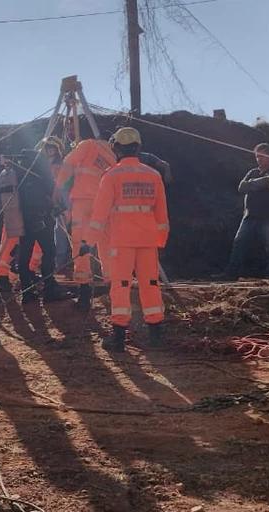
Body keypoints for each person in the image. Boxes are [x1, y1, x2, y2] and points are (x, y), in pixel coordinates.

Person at [88, 127, 169, 352]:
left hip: (122, 241)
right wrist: (160, 239)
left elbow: (99, 214)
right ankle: (156, 335)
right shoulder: (153, 175)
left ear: (115, 148)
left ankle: (118, 338)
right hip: (148, 240)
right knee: (150, 285)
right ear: (138, 147)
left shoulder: (111, 175)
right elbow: (162, 215)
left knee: (121, 286)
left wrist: (88, 241)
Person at [55, 137, 116, 310]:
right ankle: (113, 288)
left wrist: (57, 189)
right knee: (107, 245)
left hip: (83, 201)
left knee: (80, 243)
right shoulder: (113, 154)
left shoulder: (89, 145)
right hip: (105, 204)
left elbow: (67, 163)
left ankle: (84, 292)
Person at [12, 150, 71, 304]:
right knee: (49, 252)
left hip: (24, 220)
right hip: (42, 220)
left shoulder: (21, 175)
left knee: (25, 255)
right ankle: (49, 288)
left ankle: (27, 292)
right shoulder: (40, 175)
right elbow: (51, 194)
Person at [222, 143, 269, 280]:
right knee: (239, 243)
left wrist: (251, 184)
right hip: (249, 216)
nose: (259, 159)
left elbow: (266, 181)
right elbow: (241, 187)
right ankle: (231, 273)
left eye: (262, 156)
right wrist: (256, 184)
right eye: (257, 156)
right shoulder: (252, 172)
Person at [0, 158, 41, 294]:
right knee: (9, 245)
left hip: (18, 214)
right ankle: (2, 277)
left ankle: (25, 274)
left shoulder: (12, 175)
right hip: (17, 215)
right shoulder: (21, 174)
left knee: (24, 246)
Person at [39, 137, 74, 277]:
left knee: (61, 232)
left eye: (53, 148)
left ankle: (61, 264)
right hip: (44, 201)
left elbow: (63, 186)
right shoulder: (41, 165)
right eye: (48, 147)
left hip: (59, 202)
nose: (50, 150)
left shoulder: (62, 165)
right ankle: (44, 265)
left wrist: (60, 203)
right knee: (45, 233)